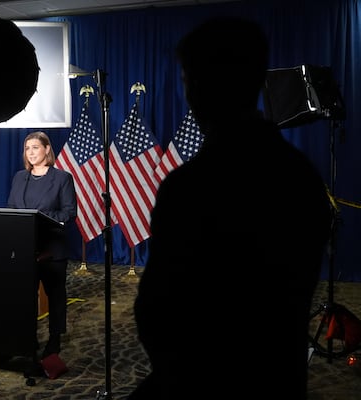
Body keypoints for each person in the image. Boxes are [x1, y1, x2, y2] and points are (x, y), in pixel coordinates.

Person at [129, 16, 332, 399]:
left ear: (200, 87)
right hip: (277, 379)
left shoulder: (190, 187)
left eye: (189, 80)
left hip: (200, 381)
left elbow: (156, 311)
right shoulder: (301, 176)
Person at [7, 131, 77, 360]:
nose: (31, 153)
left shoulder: (62, 178)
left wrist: (40, 216)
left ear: (47, 149)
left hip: (52, 249)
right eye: (27, 149)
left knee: (55, 296)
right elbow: (12, 208)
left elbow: (69, 212)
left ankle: (55, 339)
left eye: (35, 147)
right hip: (26, 248)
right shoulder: (19, 177)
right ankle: (28, 337)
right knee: (25, 296)